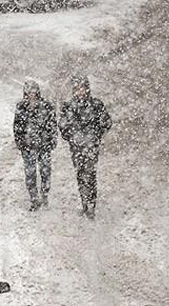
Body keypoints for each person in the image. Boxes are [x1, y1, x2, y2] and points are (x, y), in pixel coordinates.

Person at [59, 76, 112, 219]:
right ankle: (84, 201)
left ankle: (91, 205)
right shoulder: (68, 106)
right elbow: (62, 125)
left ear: (87, 88)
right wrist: (71, 137)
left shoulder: (96, 104)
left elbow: (107, 122)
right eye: (77, 88)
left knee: (90, 173)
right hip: (76, 147)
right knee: (80, 174)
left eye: (82, 87)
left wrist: (95, 135)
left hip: (91, 147)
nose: (80, 91)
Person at [13, 80, 58, 211]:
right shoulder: (21, 107)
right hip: (27, 146)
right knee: (30, 173)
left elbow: (52, 124)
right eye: (29, 92)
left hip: (44, 145)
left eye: (34, 92)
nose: (32, 95)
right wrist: (20, 142)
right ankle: (34, 199)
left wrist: (52, 140)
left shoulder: (46, 106)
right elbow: (17, 127)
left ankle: (44, 194)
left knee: (45, 172)